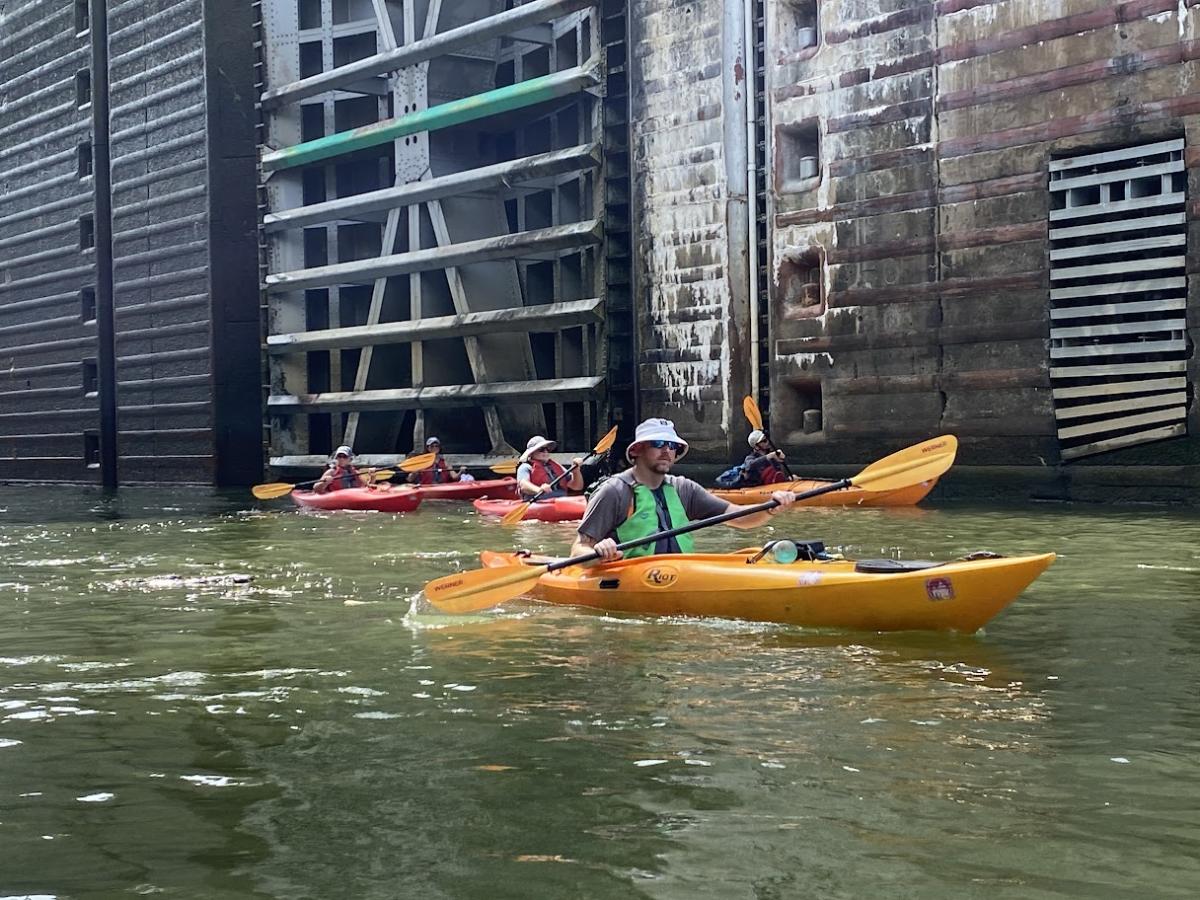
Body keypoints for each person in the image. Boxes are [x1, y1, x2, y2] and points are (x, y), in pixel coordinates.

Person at [571, 418, 796, 560]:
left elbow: (738, 517)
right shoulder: (613, 491)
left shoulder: (683, 488)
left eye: (672, 446)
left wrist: (770, 508)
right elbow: (579, 549)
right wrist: (598, 552)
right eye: (658, 444)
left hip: (680, 572)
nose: (666, 451)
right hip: (629, 576)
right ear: (637, 450)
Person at [516, 435, 584, 500]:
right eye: (541, 449)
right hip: (539, 502)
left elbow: (577, 487)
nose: (545, 452)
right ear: (531, 453)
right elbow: (523, 486)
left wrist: (576, 471)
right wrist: (539, 490)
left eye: (547, 449)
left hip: (560, 501)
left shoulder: (556, 466)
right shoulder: (525, 467)